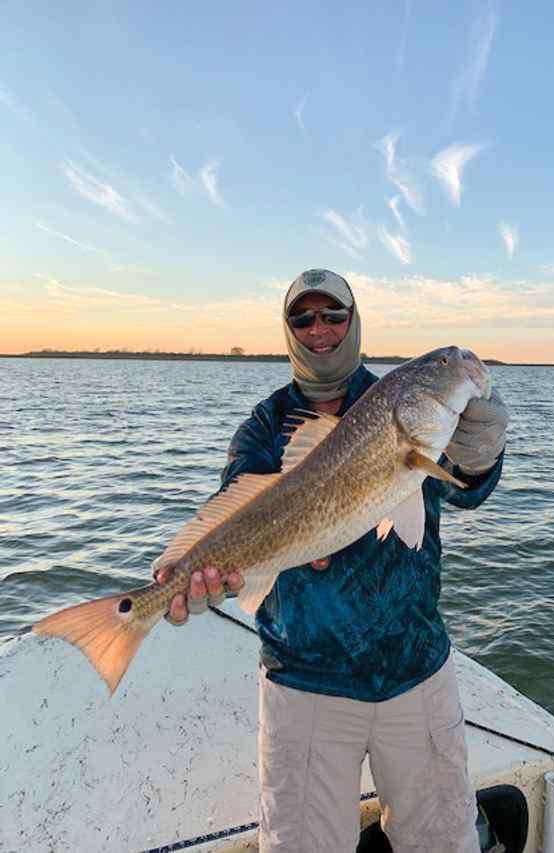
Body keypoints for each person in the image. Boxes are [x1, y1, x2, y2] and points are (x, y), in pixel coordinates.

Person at [154, 269, 509, 853]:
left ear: (354, 321)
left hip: (415, 669)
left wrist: (479, 456)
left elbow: (463, 490)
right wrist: (206, 573)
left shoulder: (396, 402)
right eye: (304, 317)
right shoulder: (266, 426)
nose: (319, 329)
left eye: (332, 315)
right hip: (305, 680)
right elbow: (237, 510)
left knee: (445, 842)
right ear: (290, 331)